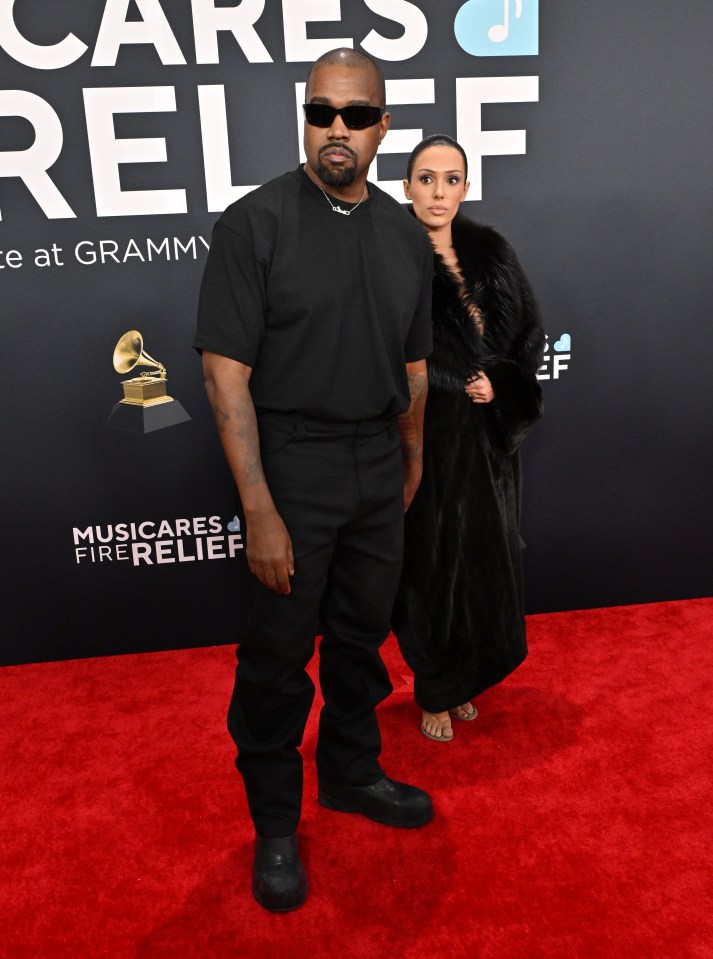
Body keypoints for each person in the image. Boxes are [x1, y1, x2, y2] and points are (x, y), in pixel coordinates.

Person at [194, 50, 435, 913]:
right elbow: (225, 375)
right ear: (305, 116)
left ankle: (350, 773)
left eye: (357, 116)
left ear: (382, 125)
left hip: (378, 465)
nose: (338, 129)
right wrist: (258, 506)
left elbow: (412, 366)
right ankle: (274, 823)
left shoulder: (405, 234)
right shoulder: (253, 223)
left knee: (362, 638)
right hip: (291, 465)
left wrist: (408, 460)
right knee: (276, 658)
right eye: (322, 112)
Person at [392, 135, 545, 743]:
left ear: (466, 186)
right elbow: (385, 347)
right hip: (425, 439)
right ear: (406, 187)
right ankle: (434, 686)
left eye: (450, 179)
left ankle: (466, 679)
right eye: (425, 179)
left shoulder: (492, 252)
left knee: (486, 558)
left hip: (489, 445)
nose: (438, 191)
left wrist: (499, 385)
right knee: (431, 567)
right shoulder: (391, 254)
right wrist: (457, 384)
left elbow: (529, 336)